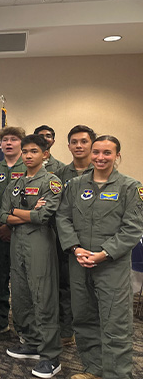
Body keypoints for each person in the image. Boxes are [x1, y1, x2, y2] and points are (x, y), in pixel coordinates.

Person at [56, 135, 143, 379]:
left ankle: (117, 374)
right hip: (80, 261)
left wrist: (104, 254)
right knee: (84, 318)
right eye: (96, 152)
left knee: (116, 323)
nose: (100, 157)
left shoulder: (130, 187)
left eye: (107, 153)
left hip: (111, 264)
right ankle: (94, 369)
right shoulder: (75, 185)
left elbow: (133, 228)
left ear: (117, 156)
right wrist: (75, 247)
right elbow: (62, 217)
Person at [0, 134, 63, 378]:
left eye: (34, 151)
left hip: (40, 244)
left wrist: (17, 213)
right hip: (18, 244)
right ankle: (33, 342)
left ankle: (51, 355)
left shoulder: (52, 182)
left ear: (45, 154)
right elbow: (3, 215)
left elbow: (43, 216)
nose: (28, 155)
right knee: (22, 295)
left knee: (43, 297)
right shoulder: (15, 183)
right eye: (25, 151)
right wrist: (24, 212)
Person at [54, 125, 96, 347]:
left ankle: (92, 336)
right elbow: (57, 210)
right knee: (65, 287)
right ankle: (67, 330)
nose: (78, 146)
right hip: (67, 242)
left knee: (93, 290)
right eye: (74, 142)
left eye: (84, 141)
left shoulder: (100, 171)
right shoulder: (60, 174)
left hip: (96, 243)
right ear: (68, 145)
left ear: (92, 144)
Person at [0, 126, 26, 337]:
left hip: (23, 234)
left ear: (22, 144)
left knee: (23, 282)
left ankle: (24, 326)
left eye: (14, 139)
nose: (9, 143)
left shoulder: (29, 169)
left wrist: (11, 227)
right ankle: (0, 322)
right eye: (5, 140)